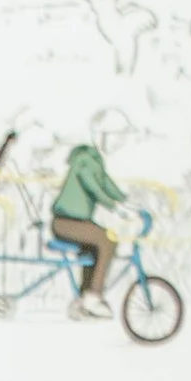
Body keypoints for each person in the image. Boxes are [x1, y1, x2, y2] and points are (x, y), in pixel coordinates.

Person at [49, 119, 127, 317]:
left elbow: (106, 183)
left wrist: (125, 202)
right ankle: (93, 297)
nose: (120, 142)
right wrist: (113, 206)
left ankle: (83, 299)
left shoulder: (95, 161)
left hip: (75, 222)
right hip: (67, 222)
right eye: (118, 137)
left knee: (94, 249)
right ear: (103, 135)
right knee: (108, 240)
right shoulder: (85, 160)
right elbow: (92, 184)